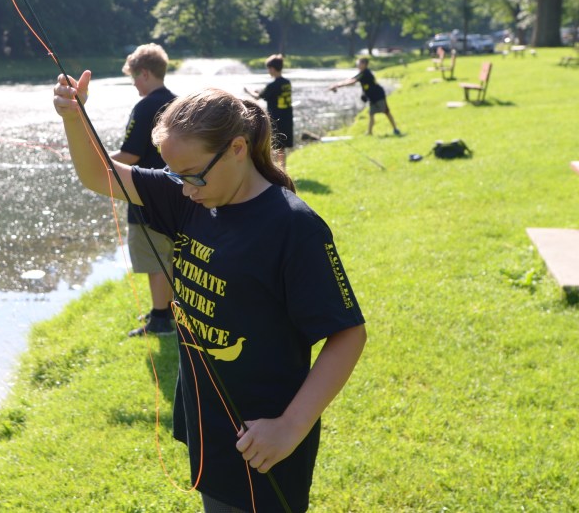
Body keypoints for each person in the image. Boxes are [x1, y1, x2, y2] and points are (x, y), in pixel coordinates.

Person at [54, 72, 367, 513]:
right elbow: (102, 176)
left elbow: (348, 334)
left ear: (237, 149)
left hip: (264, 437)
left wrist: (289, 427)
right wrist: (73, 117)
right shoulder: (193, 195)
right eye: (175, 175)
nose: (184, 187)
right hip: (207, 421)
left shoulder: (293, 228)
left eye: (192, 175)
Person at [112, 43, 177, 337]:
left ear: (146, 73)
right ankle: (169, 309)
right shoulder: (177, 103)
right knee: (169, 255)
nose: (134, 84)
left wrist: (94, 159)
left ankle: (160, 319)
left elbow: (130, 155)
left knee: (154, 260)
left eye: (134, 77)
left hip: (147, 195)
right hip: (177, 193)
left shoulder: (145, 106)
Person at [328, 57, 401, 136]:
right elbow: (350, 79)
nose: (357, 65)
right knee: (371, 113)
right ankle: (369, 132)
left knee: (386, 112)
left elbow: (352, 82)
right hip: (372, 97)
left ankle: (395, 129)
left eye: (359, 63)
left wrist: (337, 85)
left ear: (364, 64)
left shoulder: (366, 73)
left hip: (378, 96)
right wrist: (336, 85)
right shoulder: (362, 73)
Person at [244, 54, 293, 171]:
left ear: (272, 68)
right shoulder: (286, 83)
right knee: (282, 147)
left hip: (276, 119)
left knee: (275, 145)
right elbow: (270, 94)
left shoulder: (272, 85)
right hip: (287, 117)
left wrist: (248, 91)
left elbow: (257, 97)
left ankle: (275, 170)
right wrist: (260, 92)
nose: (268, 71)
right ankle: (283, 169)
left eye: (268, 68)